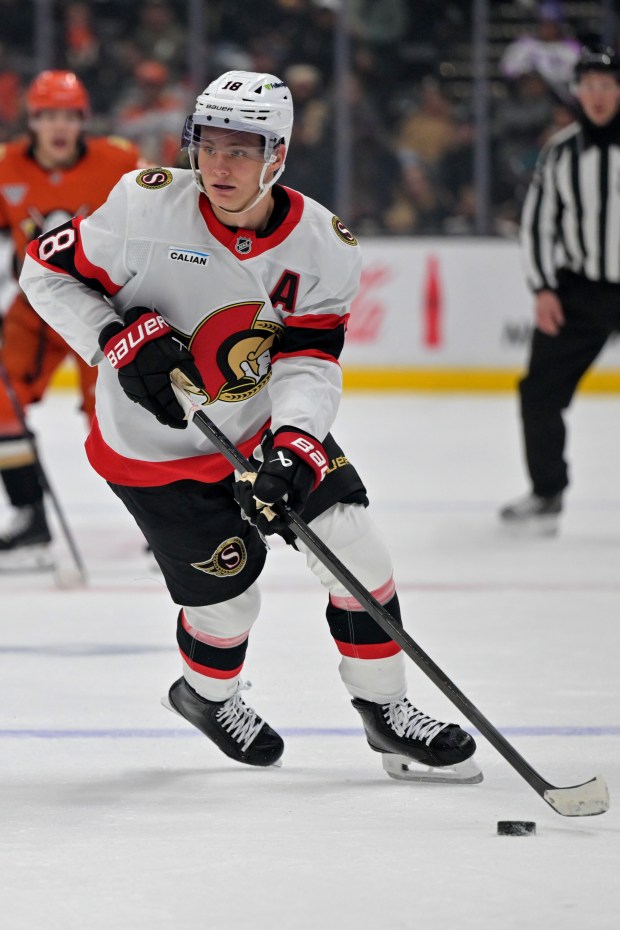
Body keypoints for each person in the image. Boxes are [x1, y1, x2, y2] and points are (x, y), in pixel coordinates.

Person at [19, 70, 479, 780]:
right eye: (209, 145)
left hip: (262, 425)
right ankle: (206, 696)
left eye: (243, 149)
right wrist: (113, 334)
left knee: (354, 547)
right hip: (152, 450)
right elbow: (44, 271)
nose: (220, 165)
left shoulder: (324, 245)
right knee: (230, 605)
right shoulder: (145, 209)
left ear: (279, 155)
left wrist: (295, 442)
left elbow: (309, 360)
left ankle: (385, 712)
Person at [0, 70, 140, 565]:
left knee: (123, 415)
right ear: (31, 120)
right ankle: (30, 518)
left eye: (68, 115)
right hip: (34, 312)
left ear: (82, 120)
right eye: (46, 115)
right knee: (0, 403)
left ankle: (163, 521)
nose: (58, 126)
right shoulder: (6, 166)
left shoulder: (119, 161)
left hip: (102, 312)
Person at [500, 47, 620, 535]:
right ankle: (548, 492)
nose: (596, 95)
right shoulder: (561, 151)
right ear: (576, 92)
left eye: (606, 85)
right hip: (579, 292)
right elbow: (536, 226)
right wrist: (544, 288)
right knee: (539, 393)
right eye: (587, 85)